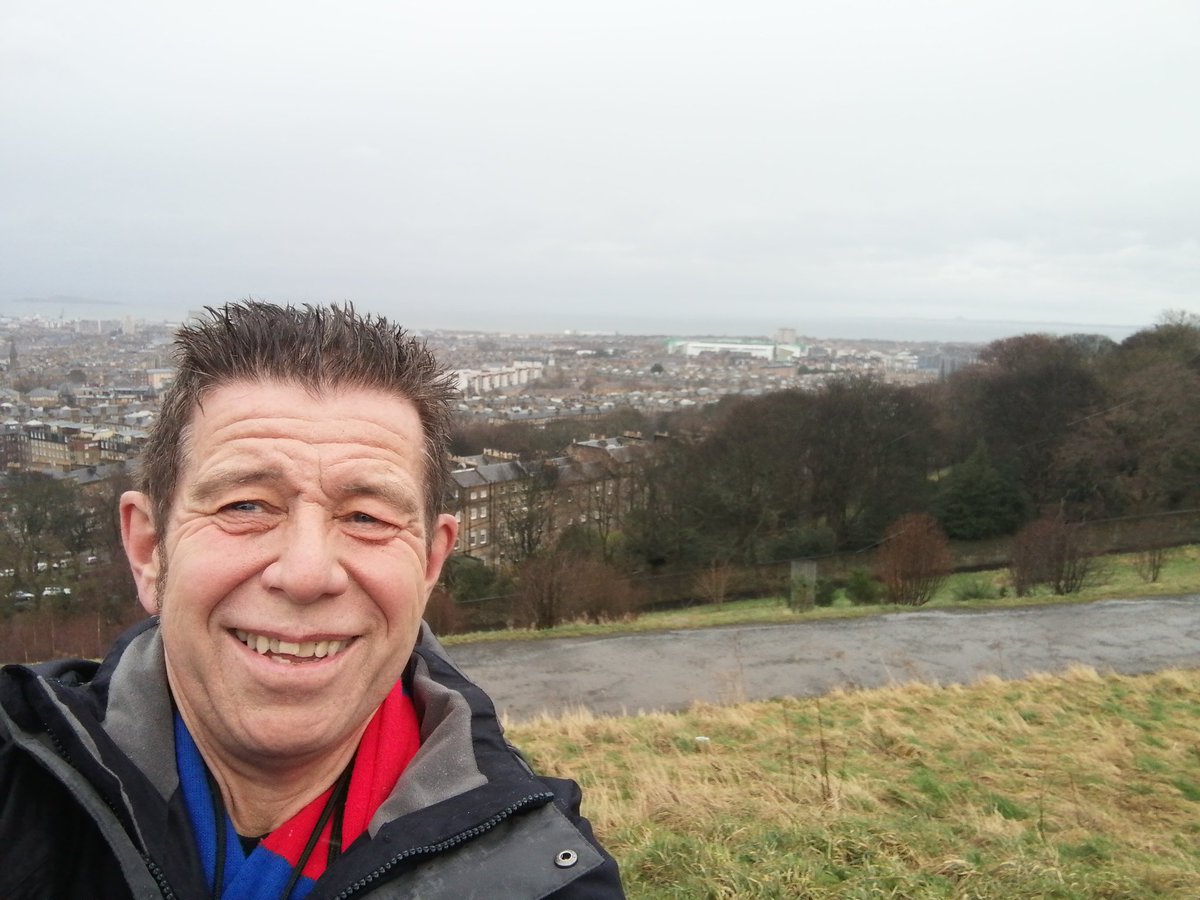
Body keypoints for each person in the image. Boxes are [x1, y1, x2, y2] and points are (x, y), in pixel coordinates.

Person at [0, 302, 624, 898]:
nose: (306, 573)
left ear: (431, 562)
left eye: (367, 515)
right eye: (244, 505)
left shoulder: (546, 873)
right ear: (148, 549)